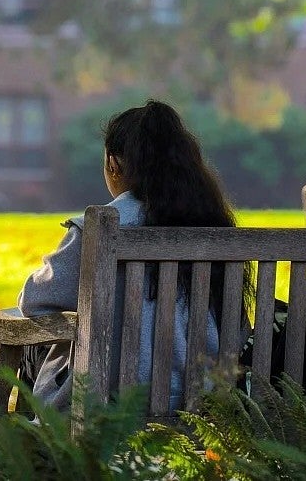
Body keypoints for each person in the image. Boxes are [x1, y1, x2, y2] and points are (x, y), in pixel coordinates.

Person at [17, 100, 249, 413]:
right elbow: (238, 330)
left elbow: (35, 300)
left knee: (34, 353)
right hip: (203, 410)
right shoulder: (217, 230)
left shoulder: (100, 228)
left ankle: (32, 459)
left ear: (114, 164)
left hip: (108, 410)